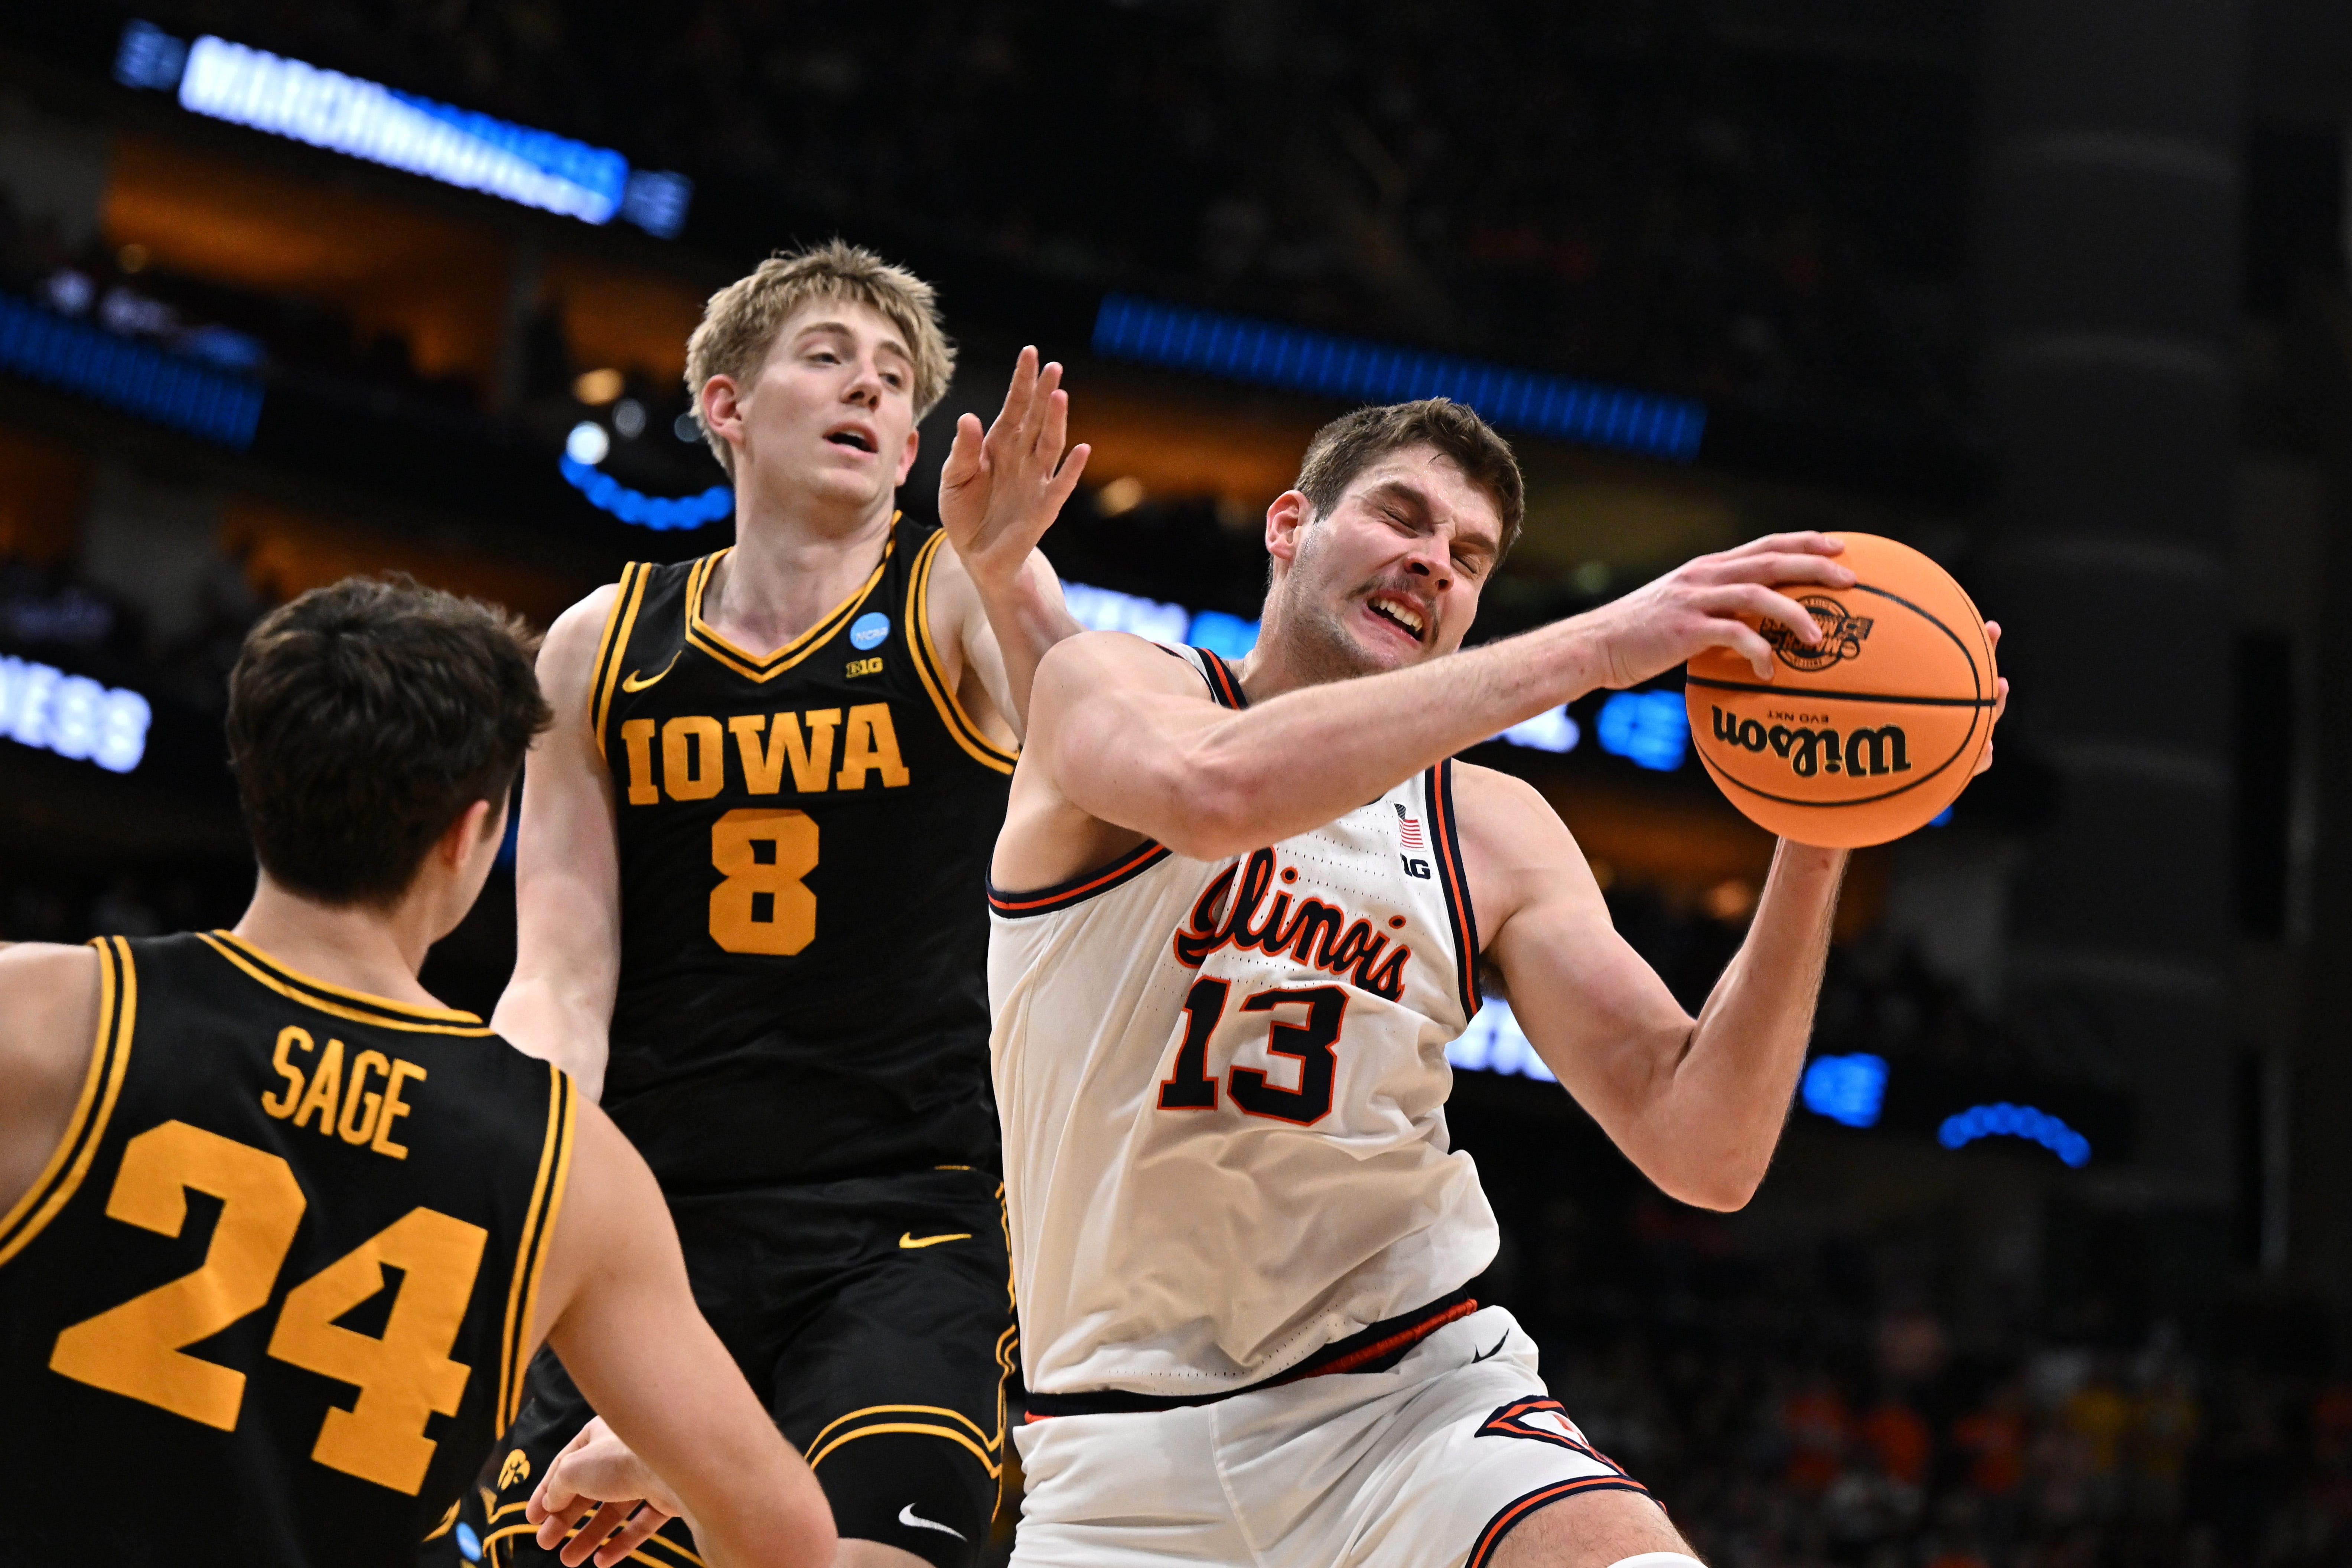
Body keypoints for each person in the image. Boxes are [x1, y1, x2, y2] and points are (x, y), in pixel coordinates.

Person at [985, 398, 2007, 1568]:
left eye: (1469, 558)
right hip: (1115, 1466)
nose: (1433, 562)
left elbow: (1706, 1148)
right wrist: (1602, 646)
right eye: (1402, 518)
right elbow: (1216, 796)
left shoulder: (1495, 829)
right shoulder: (1112, 685)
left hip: (1408, 1407)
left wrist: (1818, 825)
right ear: (1289, 526)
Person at [0, 577, 834, 1568]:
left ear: (256, 774)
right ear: (465, 834)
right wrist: (653, 1467)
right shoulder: (573, 1171)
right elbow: (788, 1539)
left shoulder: (47, 1015)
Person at [466, 239, 1088, 1568]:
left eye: (898, 380)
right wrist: (511, 1178)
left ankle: (727, 1474)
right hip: (648, 1215)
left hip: (903, 1217)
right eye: (830, 359)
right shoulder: (598, 644)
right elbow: (562, 978)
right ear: (727, 406)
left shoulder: (953, 598)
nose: (874, 392)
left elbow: (1109, 781)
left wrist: (1017, 570)